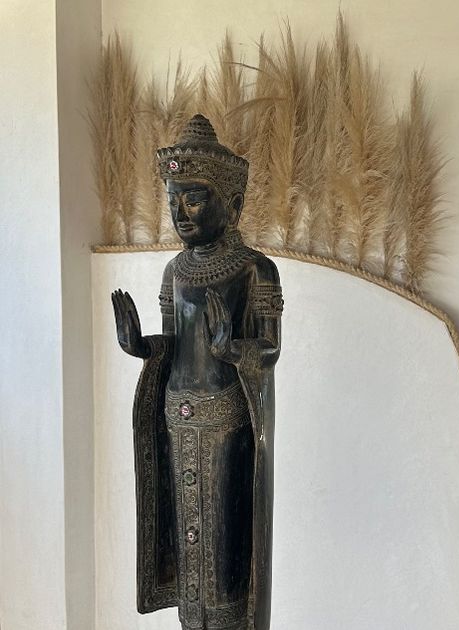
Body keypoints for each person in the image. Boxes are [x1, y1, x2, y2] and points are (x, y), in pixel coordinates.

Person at [112, 114, 283, 630]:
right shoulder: (175, 271)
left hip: (228, 423)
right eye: (173, 201)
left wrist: (233, 348)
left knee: (225, 540)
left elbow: (271, 348)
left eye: (193, 199)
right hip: (177, 418)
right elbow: (175, 341)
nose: (180, 213)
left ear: (232, 204)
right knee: (186, 537)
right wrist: (142, 345)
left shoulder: (255, 268)